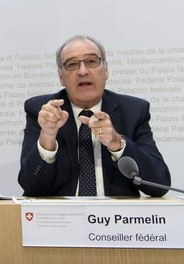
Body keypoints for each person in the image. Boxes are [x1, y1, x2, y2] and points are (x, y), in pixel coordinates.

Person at [18, 35, 171, 197]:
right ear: (61, 77)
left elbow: (159, 184)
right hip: (61, 219)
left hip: (116, 218)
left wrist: (116, 143)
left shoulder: (133, 111)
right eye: (72, 64)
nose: (83, 71)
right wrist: (47, 136)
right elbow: (31, 187)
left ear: (106, 70)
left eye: (91, 62)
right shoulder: (43, 112)